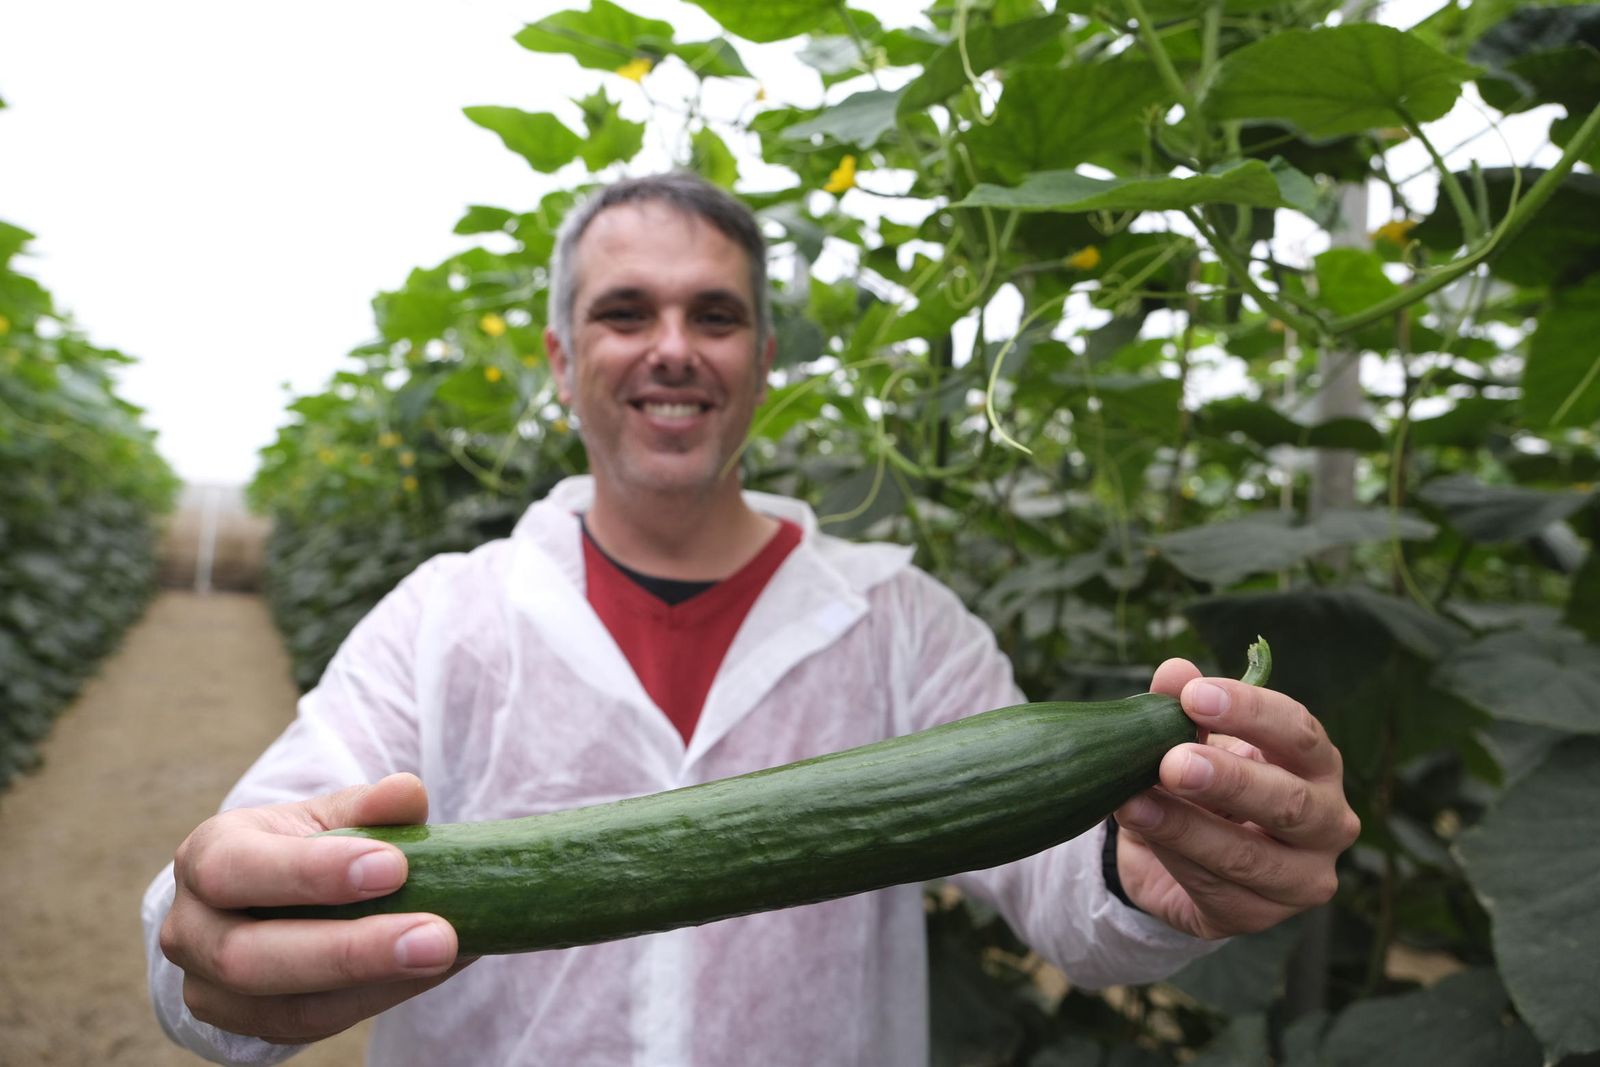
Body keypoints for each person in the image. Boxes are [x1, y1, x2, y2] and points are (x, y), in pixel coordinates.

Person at [143, 172, 1359, 1066]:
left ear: (764, 359)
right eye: (627, 313)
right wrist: (205, 938)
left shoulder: (902, 620)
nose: (673, 348)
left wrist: (1153, 862)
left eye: (714, 316)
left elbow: (1069, 884)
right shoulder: (444, 616)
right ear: (563, 362)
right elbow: (214, 921)